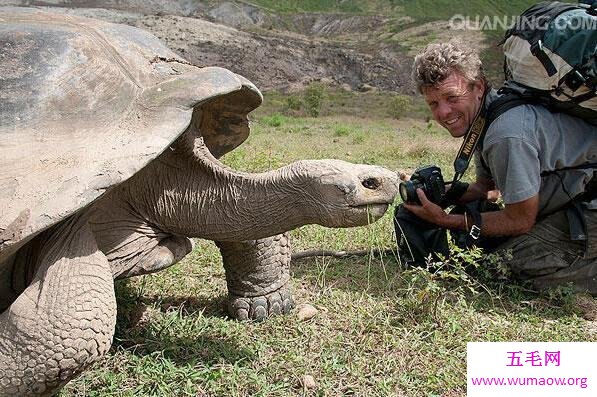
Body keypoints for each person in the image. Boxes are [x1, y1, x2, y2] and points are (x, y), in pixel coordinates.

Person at [402, 39, 597, 295]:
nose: (443, 113)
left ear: (479, 87)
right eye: (434, 103)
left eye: (451, 97)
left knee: (503, 268)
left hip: (588, 207)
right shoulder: (489, 115)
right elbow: (489, 188)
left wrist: (446, 220)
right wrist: (442, 192)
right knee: (489, 247)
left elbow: (520, 220)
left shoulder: (504, 134)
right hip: (574, 200)